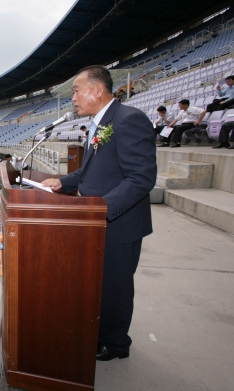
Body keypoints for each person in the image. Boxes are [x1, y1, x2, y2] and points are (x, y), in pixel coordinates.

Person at [42, 65, 157, 362]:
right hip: (98, 222)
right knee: (100, 285)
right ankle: (102, 332)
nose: (73, 99)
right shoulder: (99, 122)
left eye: (76, 91)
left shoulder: (129, 119)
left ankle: (116, 343)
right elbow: (91, 171)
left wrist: (100, 210)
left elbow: (141, 178)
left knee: (115, 287)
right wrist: (62, 181)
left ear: (97, 90)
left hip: (119, 224)